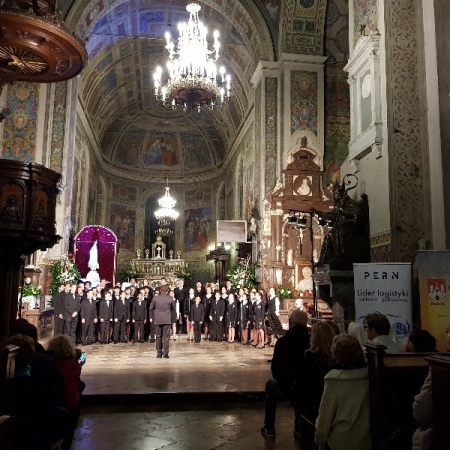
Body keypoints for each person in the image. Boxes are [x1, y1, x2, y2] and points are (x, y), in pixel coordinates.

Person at [315, 334, 371, 450]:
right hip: (367, 439)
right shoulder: (370, 374)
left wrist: (319, 441)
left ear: (335, 353)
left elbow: (325, 417)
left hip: (341, 441)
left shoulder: (334, 380)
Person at [261, 309, 310, 438]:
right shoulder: (312, 341)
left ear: (291, 323)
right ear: (306, 324)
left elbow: (276, 369)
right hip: (307, 384)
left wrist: (286, 380)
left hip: (288, 385)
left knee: (271, 384)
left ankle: (269, 426)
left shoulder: (283, 342)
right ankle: (300, 426)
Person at [47, 335, 84, 450]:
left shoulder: (50, 362)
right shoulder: (73, 363)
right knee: (80, 387)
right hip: (69, 399)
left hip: (54, 399)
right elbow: (76, 383)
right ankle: (71, 428)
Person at [150, 284, 174, 358]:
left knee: (158, 336)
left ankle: (159, 353)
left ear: (160, 291)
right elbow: (173, 308)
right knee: (166, 337)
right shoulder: (170, 298)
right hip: (166, 319)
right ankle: (166, 354)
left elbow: (151, 308)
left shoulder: (155, 298)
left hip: (157, 319)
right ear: (167, 291)